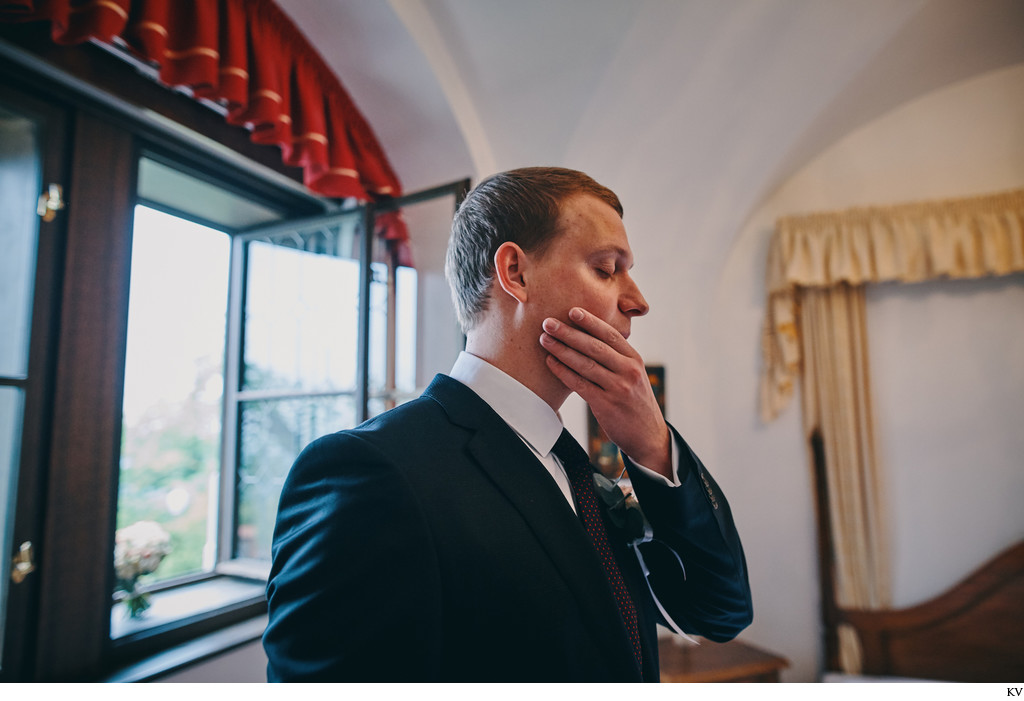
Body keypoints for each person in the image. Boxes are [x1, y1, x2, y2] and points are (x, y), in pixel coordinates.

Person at [262, 167, 752, 682]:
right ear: (515, 272)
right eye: (608, 269)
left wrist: (653, 446)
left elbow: (718, 612)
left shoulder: (579, 469)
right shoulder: (367, 472)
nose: (637, 301)